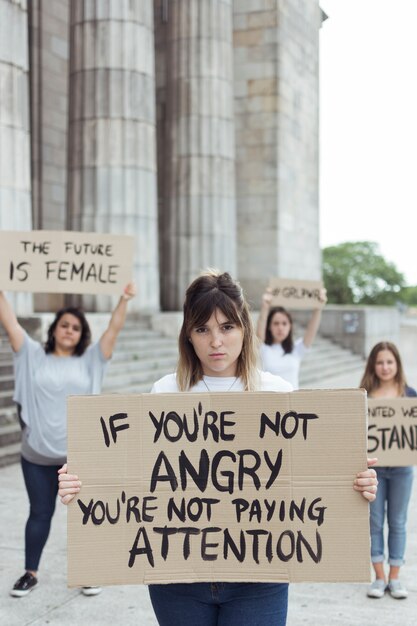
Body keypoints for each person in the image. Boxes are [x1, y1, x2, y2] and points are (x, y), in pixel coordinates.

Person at [58, 270, 377, 626]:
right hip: (177, 576)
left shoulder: (278, 394)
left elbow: (311, 476)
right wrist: (81, 483)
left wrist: (355, 482)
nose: (216, 342)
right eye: (202, 329)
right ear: (188, 337)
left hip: (261, 575)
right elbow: (131, 475)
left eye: (226, 327)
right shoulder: (163, 393)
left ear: (245, 328)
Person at [0, 283, 136, 598]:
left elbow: (113, 330)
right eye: (64, 325)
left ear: (82, 334)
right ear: (54, 329)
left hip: (79, 455)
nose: (69, 330)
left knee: (85, 514)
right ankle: (29, 573)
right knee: (40, 512)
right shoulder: (31, 354)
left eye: (76, 327)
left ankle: (89, 574)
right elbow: (9, 322)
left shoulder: (92, 359)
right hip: (36, 453)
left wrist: (124, 300)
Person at [360, 341, 415, 601]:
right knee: (373, 523)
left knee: (398, 522)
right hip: (374, 471)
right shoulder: (363, 397)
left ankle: (395, 577)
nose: (384, 367)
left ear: (397, 364)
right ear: (373, 365)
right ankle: (379, 578)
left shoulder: (410, 396)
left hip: (403, 469)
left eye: (389, 362)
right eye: (380, 362)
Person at [256, 287, 327, 389]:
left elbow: (311, 330)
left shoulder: (296, 350)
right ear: (269, 327)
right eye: (276, 323)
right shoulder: (263, 348)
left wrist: (318, 307)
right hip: (270, 403)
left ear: (290, 326)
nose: (280, 327)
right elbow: (260, 331)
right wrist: (265, 306)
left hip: (293, 403)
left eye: (284, 323)